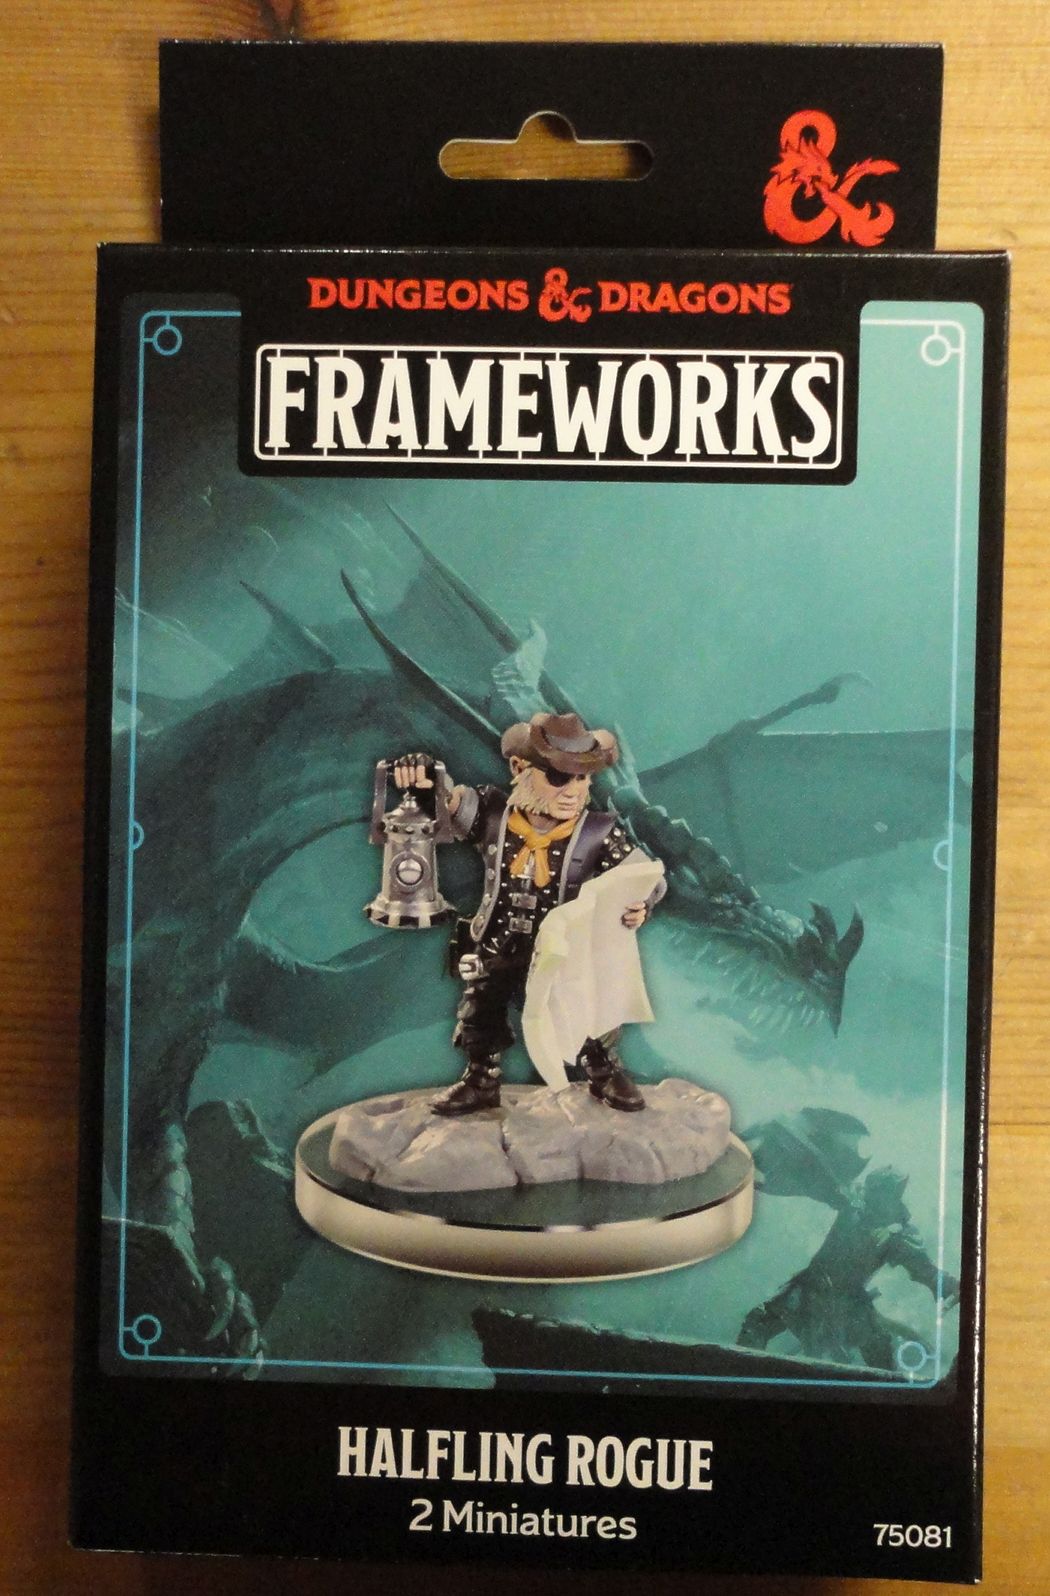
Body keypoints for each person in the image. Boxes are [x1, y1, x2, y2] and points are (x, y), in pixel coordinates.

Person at [392, 712, 665, 1117]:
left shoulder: (599, 831)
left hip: (564, 952)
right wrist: (426, 773)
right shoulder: (492, 813)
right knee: (478, 1011)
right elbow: (447, 802)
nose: (574, 791)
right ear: (520, 768)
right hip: (496, 941)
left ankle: (604, 1071)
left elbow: (646, 878)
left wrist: (641, 905)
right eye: (559, 777)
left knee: (589, 1010)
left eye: (583, 778)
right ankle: (481, 1079)